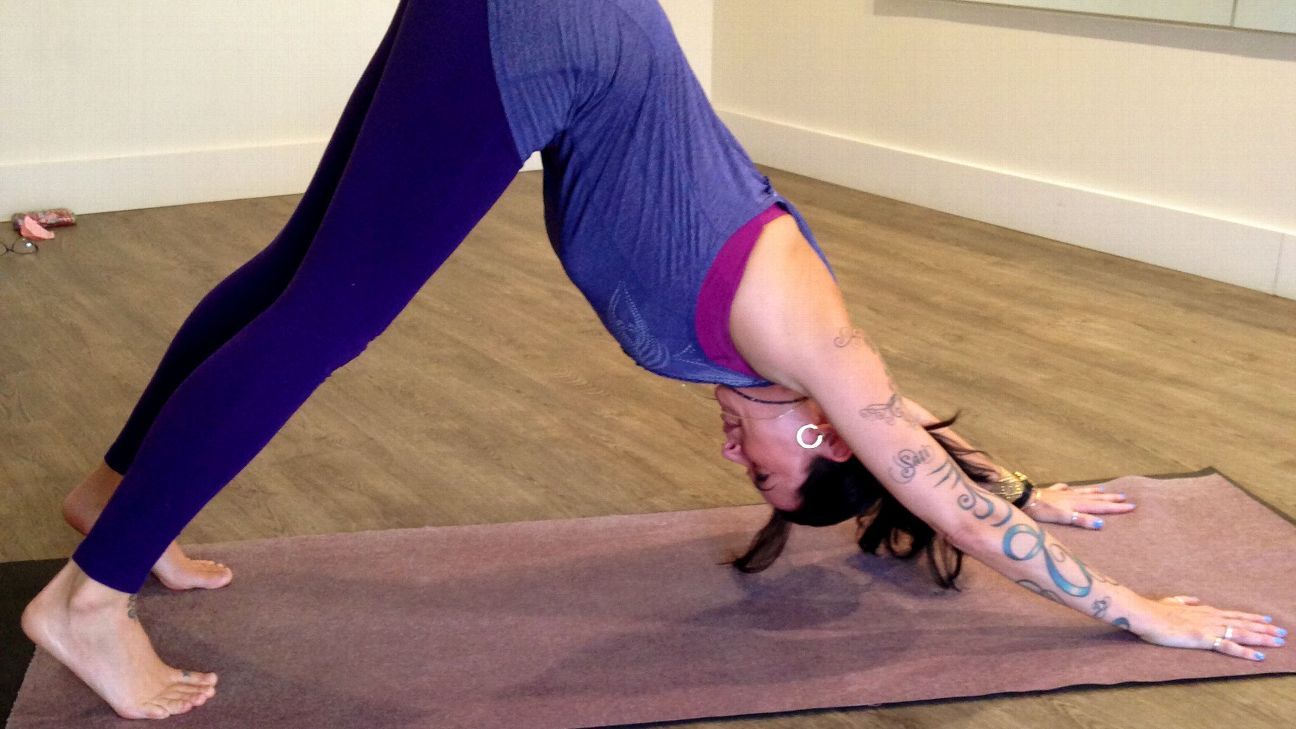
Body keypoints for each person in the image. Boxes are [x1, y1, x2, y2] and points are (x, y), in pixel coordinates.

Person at [20, 0, 1286, 721]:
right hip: (549, 31)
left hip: (555, 25)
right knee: (326, 322)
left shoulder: (815, 377)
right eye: (769, 474)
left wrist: (1032, 489)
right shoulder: (812, 344)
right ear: (823, 434)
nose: (738, 458)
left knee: (299, 268)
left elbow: (920, 451)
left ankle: (114, 497)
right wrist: (1142, 613)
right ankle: (90, 599)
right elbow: (933, 487)